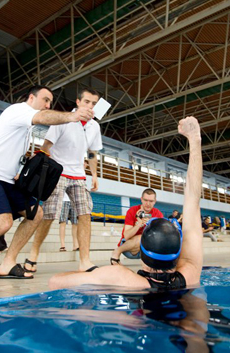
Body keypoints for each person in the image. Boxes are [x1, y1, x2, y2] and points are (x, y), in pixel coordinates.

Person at [0, 85, 94, 282]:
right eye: (45, 99)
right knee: (3, 222)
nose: (48, 105)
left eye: (50, 102)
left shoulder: (26, 128)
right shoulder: (17, 110)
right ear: (31, 97)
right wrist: (71, 116)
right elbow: (43, 117)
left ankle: (8, 263)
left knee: (36, 213)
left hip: (6, 179)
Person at [49, 116, 203, 290]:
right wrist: (195, 141)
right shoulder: (191, 273)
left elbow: (55, 281)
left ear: (143, 255)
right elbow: (193, 199)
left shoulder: (122, 278)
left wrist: (97, 275)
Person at [24, 88, 103, 274]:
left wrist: (94, 175)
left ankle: (85, 260)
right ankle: (33, 254)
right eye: (87, 102)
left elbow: (92, 152)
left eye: (94, 104)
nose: (90, 106)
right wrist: (44, 171)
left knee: (85, 214)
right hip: (57, 171)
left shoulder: (95, 127)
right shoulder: (63, 120)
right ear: (78, 102)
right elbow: (46, 146)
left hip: (78, 175)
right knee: (50, 214)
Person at [109, 188, 164, 265]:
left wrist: (150, 225)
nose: (148, 203)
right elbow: (127, 236)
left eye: (151, 201)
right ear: (141, 199)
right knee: (142, 237)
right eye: (145, 200)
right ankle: (117, 251)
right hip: (128, 249)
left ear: (155, 201)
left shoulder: (158, 214)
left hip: (145, 251)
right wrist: (138, 224)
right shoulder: (132, 210)